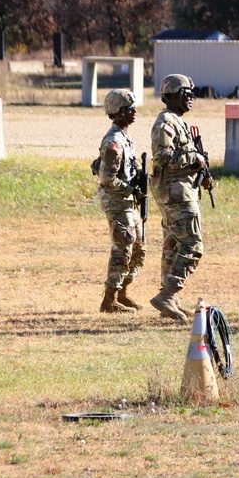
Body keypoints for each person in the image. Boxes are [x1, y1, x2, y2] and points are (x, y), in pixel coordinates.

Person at [149, 74, 213, 323]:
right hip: (175, 194)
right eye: (186, 93)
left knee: (172, 246)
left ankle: (170, 301)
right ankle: (168, 293)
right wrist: (193, 159)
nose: (191, 98)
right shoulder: (165, 123)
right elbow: (163, 157)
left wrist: (201, 172)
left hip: (182, 190)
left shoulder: (178, 122)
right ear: (172, 95)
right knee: (192, 245)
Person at [95, 89, 146, 314]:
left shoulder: (125, 137)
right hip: (117, 200)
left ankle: (123, 292)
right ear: (117, 113)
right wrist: (131, 189)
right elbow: (107, 178)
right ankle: (110, 299)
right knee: (123, 246)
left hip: (127, 199)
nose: (134, 112)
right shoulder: (113, 141)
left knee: (138, 249)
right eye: (129, 109)